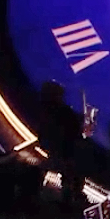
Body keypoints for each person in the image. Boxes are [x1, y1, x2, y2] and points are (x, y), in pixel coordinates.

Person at [38, 81, 85, 212]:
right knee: (72, 177)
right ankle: (69, 206)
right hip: (65, 152)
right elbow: (74, 126)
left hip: (53, 149)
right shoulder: (62, 112)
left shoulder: (45, 109)